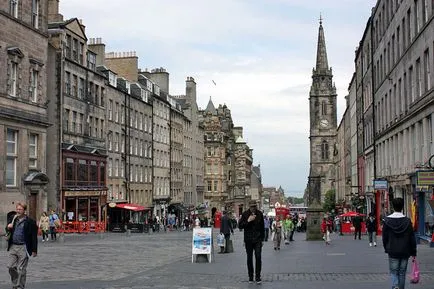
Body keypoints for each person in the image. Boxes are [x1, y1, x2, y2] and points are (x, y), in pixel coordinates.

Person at [382, 198, 417, 289]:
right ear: (402, 207)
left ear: (393, 207)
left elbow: (384, 237)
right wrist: (413, 251)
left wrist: (386, 247)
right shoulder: (407, 221)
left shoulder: (387, 221)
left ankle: (395, 285)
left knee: (394, 271)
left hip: (392, 249)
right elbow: (411, 237)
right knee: (402, 272)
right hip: (405, 250)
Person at [6, 202, 38, 289]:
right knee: (10, 266)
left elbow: (34, 237)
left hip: (23, 247)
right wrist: (8, 227)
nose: (18, 211)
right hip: (13, 246)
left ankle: (20, 286)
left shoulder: (30, 222)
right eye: (17, 209)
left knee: (21, 269)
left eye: (20, 209)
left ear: (24, 210)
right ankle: (16, 282)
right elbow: (8, 229)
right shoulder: (13, 218)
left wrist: (34, 250)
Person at [238, 200, 265, 284]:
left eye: (254, 206)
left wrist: (262, 239)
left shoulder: (259, 214)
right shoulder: (245, 214)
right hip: (248, 240)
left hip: (258, 239)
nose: (253, 208)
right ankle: (250, 277)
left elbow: (262, 227)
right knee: (249, 258)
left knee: (258, 257)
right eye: (252, 207)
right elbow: (240, 226)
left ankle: (258, 276)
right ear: (249, 207)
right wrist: (248, 221)